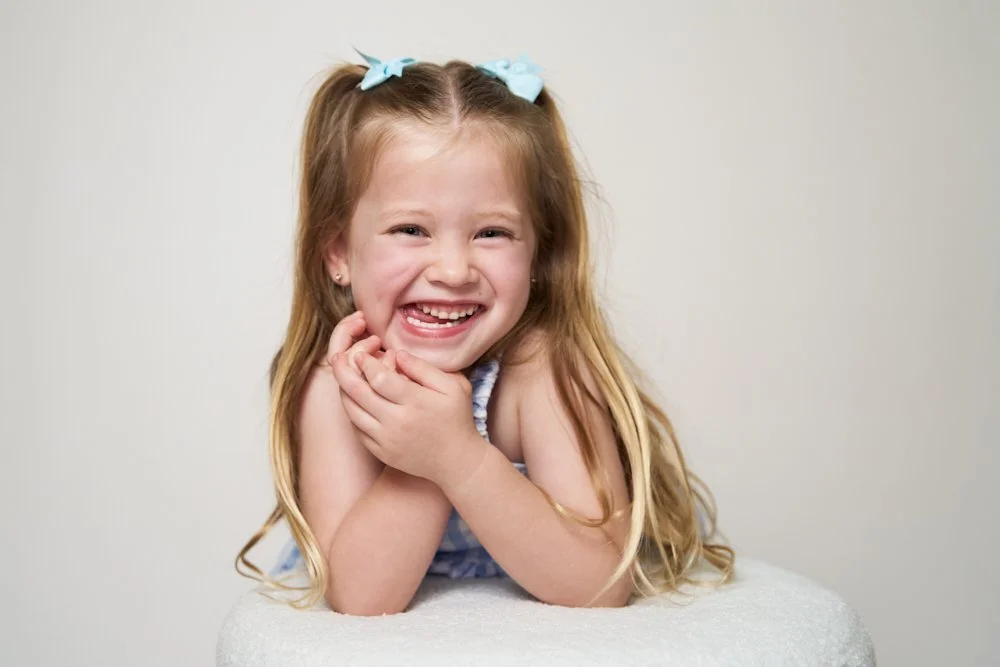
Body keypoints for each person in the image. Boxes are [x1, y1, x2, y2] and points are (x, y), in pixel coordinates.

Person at [236, 51, 733, 616]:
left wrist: (458, 455)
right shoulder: (334, 385)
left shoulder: (541, 369)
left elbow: (599, 586)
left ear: (538, 252)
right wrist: (420, 455)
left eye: (492, 232)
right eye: (410, 229)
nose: (452, 270)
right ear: (339, 251)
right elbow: (362, 598)